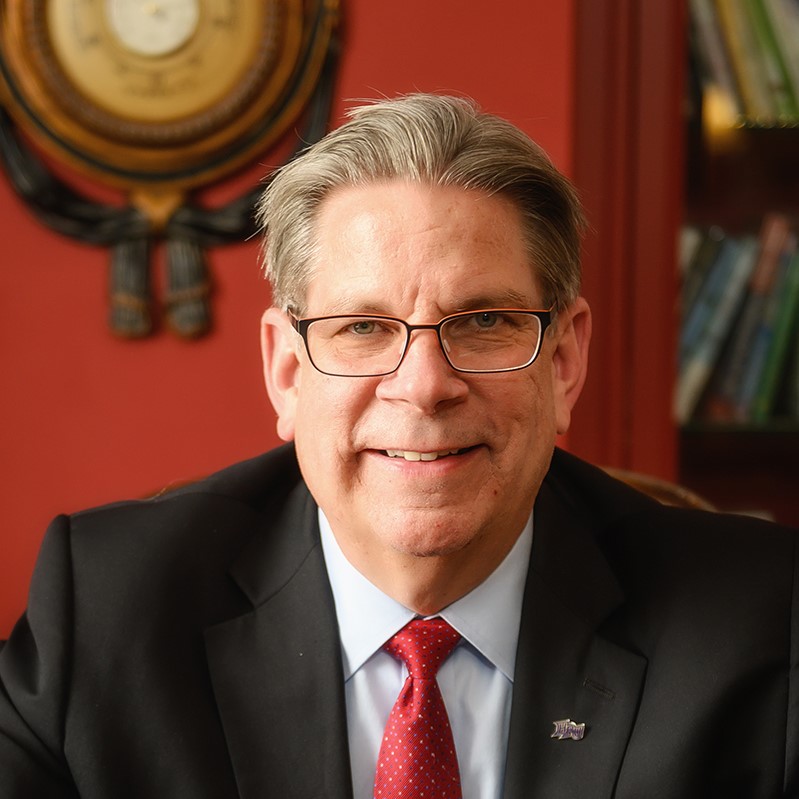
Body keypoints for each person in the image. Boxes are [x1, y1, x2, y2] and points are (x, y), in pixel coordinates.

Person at [0, 93, 796, 799]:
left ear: (563, 363)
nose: (422, 385)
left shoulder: (753, 622)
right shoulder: (109, 611)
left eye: (483, 322)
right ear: (286, 370)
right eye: (363, 328)